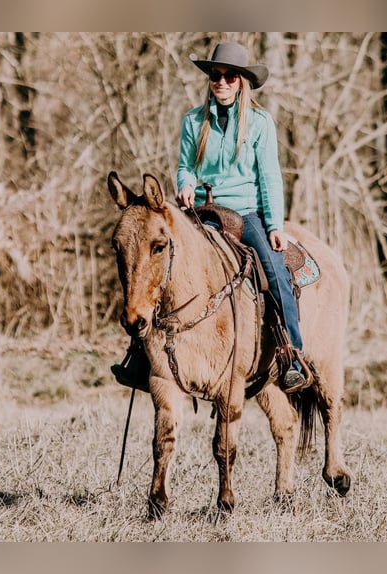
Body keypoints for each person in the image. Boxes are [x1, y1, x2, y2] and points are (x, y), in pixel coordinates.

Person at [112, 40, 308, 394]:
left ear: (241, 82)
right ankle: (140, 356)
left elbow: (270, 178)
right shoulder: (194, 121)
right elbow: (185, 166)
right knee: (162, 269)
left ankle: (291, 354)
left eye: (229, 76)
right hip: (204, 212)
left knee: (276, 274)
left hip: (246, 212)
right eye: (215, 76)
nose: (221, 82)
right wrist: (185, 185)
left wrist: (275, 225)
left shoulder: (260, 123)